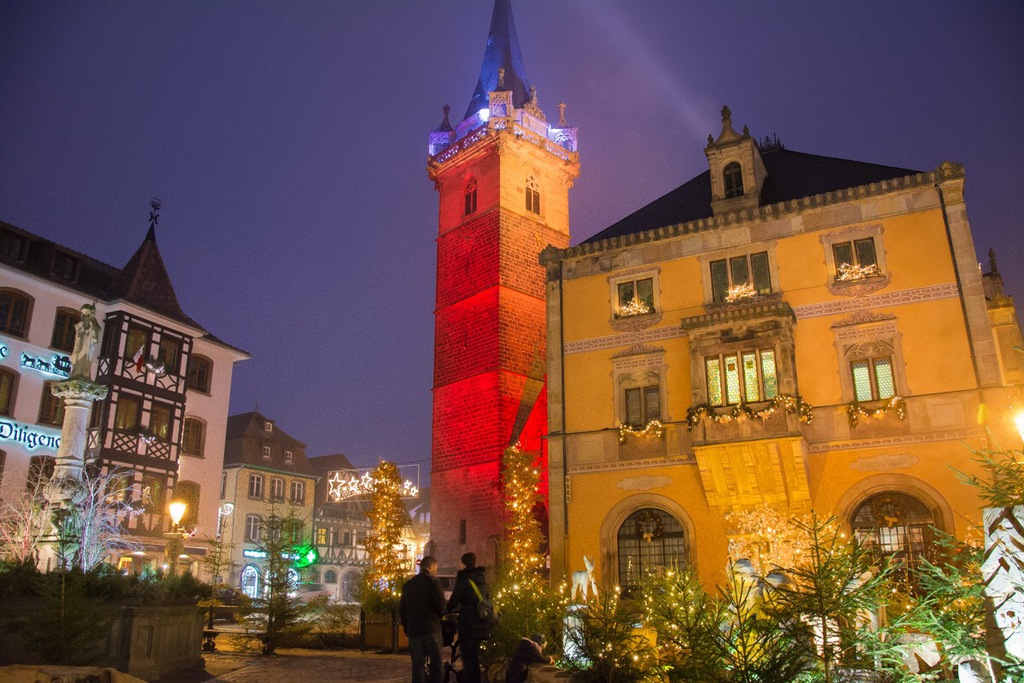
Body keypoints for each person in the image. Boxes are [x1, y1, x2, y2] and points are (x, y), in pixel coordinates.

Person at [400, 556, 446, 683]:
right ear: (430, 567)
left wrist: (407, 626)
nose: (435, 571)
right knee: (436, 664)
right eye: (435, 568)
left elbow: (402, 610)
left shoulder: (408, 585)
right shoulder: (433, 582)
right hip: (431, 628)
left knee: (417, 666)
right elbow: (441, 606)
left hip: (414, 630)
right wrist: (440, 616)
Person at [446, 552, 490, 683]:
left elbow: (454, 599)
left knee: (467, 656)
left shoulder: (464, 578)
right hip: (481, 622)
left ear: (463, 562)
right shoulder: (483, 578)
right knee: (475, 657)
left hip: (468, 623)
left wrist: (446, 609)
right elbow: (488, 599)